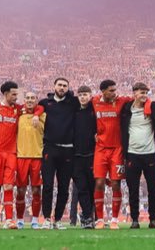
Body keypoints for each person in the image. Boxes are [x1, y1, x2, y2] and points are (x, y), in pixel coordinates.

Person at [36, 78, 78, 229]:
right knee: (47, 185)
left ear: (68, 88)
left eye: (65, 86)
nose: (62, 88)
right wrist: (36, 115)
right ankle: (47, 218)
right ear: (54, 86)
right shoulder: (45, 103)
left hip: (68, 149)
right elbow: (35, 109)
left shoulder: (73, 102)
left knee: (64, 187)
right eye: (59, 85)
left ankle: (58, 219)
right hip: (50, 148)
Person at [118, 82, 155, 229]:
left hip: (150, 153)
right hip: (132, 154)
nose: (144, 95)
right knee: (133, 189)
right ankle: (135, 219)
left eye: (146, 93)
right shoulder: (126, 109)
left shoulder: (153, 107)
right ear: (134, 93)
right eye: (142, 93)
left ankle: (153, 219)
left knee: (153, 189)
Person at [91, 80, 131, 229]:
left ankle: (114, 219)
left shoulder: (121, 101)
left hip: (117, 150)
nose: (115, 93)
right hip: (100, 149)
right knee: (99, 182)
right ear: (103, 92)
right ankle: (100, 219)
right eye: (111, 91)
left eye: (115, 90)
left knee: (115, 183)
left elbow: (139, 98)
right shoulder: (94, 101)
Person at [0, 81, 23, 229]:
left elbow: (37, 107)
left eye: (16, 94)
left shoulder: (18, 109)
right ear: (5, 94)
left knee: (8, 186)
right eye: (13, 94)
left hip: (11, 153)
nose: (16, 97)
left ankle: (9, 220)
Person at [17, 90, 46, 229]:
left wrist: (37, 114)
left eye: (32, 98)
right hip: (21, 157)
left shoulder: (43, 115)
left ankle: (35, 220)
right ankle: (19, 220)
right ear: (24, 100)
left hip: (37, 157)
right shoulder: (19, 115)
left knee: (36, 191)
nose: (29, 100)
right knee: (20, 191)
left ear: (36, 100)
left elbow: (42, 108)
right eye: (27, 98)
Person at [69, 86, 97, 229]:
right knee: (81, 188)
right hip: (76, 157)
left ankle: (91, 216)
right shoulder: (74, 111)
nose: (82, 97)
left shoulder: (95, 111)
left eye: (85, 94)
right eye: (80, 95)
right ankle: (87, 217)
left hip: (92, 156)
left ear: (90, 95)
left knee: (92, 188)